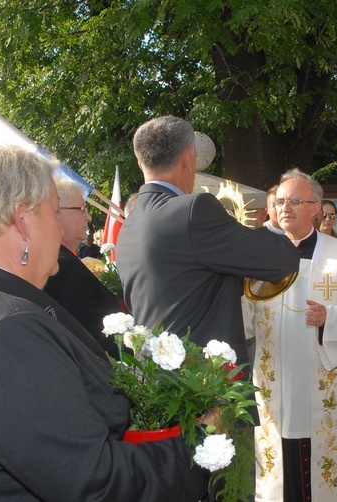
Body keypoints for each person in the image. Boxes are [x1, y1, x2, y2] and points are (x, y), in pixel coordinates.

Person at [0, 144, 210, 500]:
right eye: (54, 212)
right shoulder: (8, 330)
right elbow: (96, 482)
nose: (61, 231)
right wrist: (200, 445)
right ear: (23, 221)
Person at [115, 116, 299, 368]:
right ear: (188, 159)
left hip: (156, 380)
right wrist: (278, 222)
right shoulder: (193, 209)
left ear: (140, 162)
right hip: (202, 385)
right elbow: (281, 260)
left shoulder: (130, 223)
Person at [243, 168, 337, 501]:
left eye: (294, 201)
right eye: (279, 202)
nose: (284, 208)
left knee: (331, 456)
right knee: (280, 449)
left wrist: (331, 318)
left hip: (328, 374)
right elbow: (243, 314)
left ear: (316, 207)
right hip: (278, 377)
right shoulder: (257, 255)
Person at [43, 178, 121, 357]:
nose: (89, 216)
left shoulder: (62, 260)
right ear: (56, 212)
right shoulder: (62, 267)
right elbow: (87, 336)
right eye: (82, 209)